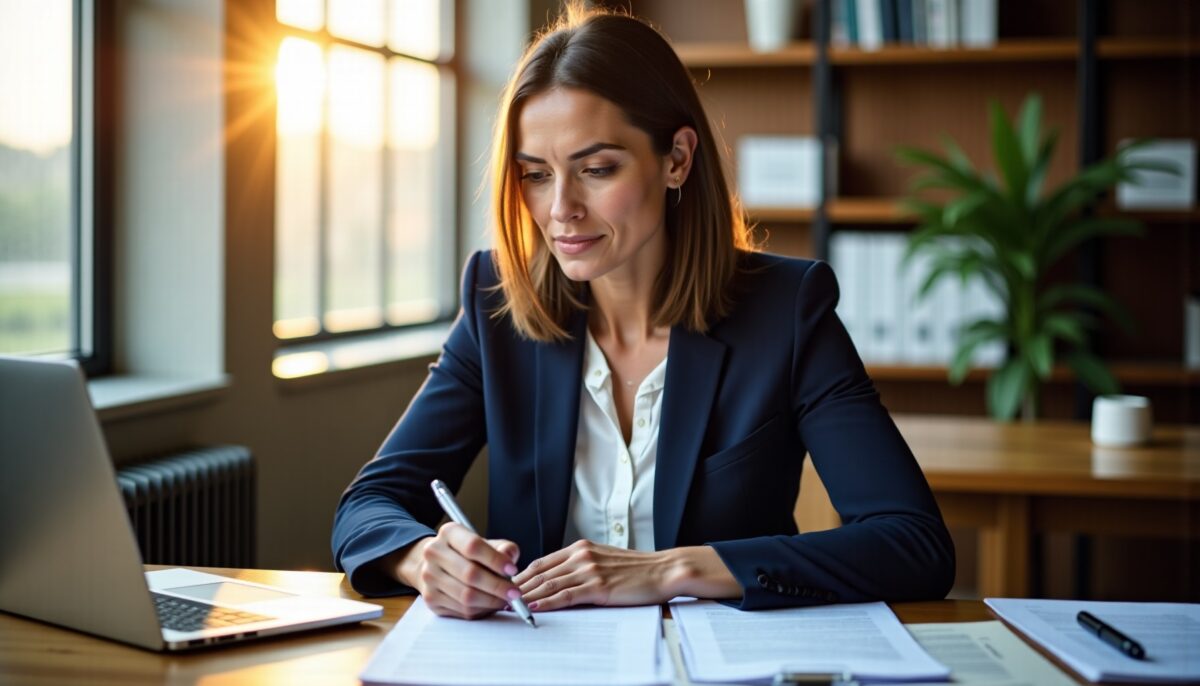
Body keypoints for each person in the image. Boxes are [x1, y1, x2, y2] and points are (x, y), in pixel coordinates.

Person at [332, 5, 954, 619]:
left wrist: (672, 570)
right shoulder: (496, 301)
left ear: (676, 159)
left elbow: (913, 543)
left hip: (718, 660)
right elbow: (369, 505)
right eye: (536, 175)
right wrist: (422, 559)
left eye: (597, 169)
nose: (561, 208)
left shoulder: (786, 310)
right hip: (543, 658)